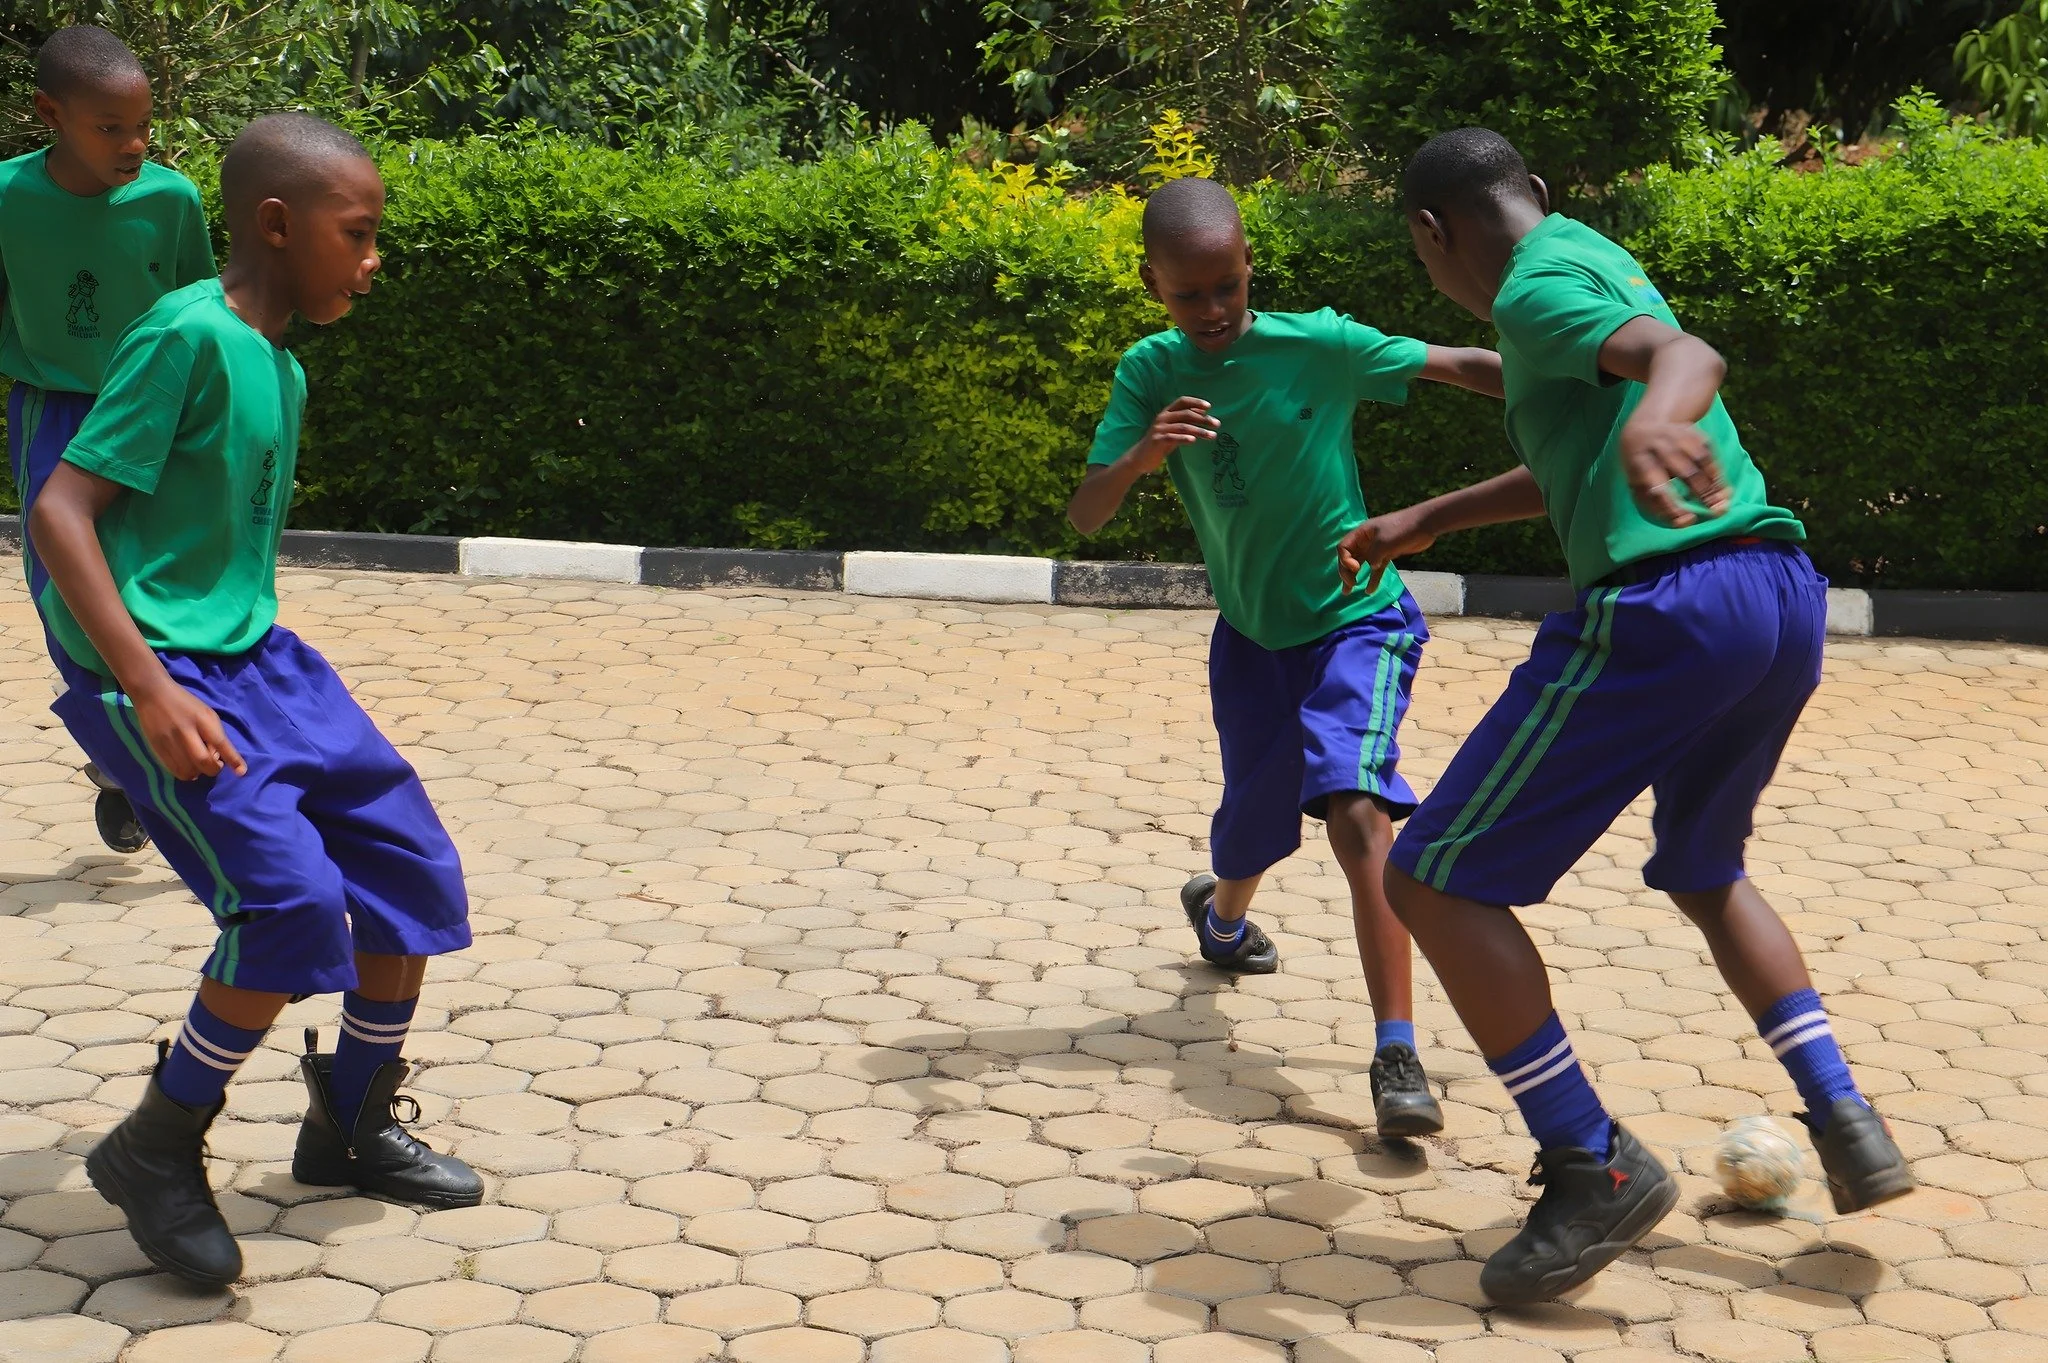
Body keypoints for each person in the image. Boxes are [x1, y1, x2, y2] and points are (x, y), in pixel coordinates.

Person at [1339, 127, 1914, 1304]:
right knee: (1705, 866)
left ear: (1430, 233)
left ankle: (1588, 1161)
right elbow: (1580, 447)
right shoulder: (1589, 256)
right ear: (1537, 193)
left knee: (1430, 877)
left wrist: (1662, 410)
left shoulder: (1531, 288)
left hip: (1669, 610)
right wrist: (1428, 519)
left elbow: (1683, 357)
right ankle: (1844, 1118)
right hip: (1776, 597)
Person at [30, 112, 482, 1289]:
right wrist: (146, 687)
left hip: (261, 661)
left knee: (412, 871)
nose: (373, 258)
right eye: (358, 233)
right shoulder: (184, 336)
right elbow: (59, 511)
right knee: (289, 909)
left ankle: (349, 1123)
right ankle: (156, 1142)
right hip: (164, 672)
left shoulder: (280, 363)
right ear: (278, 225)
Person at [1069, 176, 1505, 1138]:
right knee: (1252, 824)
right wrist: (1142, 455)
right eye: (1189, 293)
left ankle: (1396, 1053)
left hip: (1358, 620)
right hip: (1252, 640)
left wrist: (1585, 383)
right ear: (1151, 285)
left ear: (1249, 266)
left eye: (1226, 284)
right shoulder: (1149, 372)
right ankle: (1222, 918)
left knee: (1359, 812)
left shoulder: (1318, 344)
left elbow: (1459, 364)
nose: (1213, 308)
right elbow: (1087, 512)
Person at [3, 25, 216, 855]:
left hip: (156, 415)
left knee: (158, 589)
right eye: (110, 128)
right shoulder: (6, 197)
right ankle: (121, 754)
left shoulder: (173, 200)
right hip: (53, 414)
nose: (133, 145)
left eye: (143, 127)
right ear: (49, 113)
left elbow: (205, 316)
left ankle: (150, 746)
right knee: (64, 596)